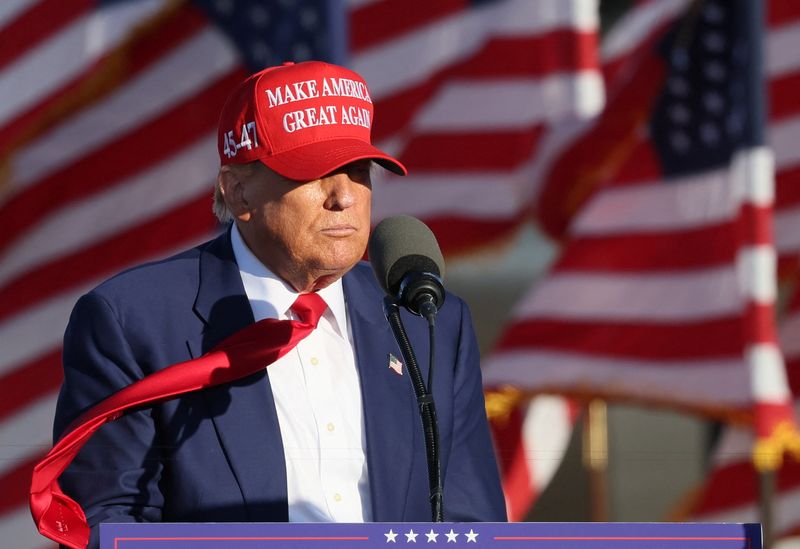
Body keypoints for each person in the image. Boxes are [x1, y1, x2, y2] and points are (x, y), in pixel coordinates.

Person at [54, 61, 506, 547]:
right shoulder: (133, 320)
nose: (344, 197)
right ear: (239, 190)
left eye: (358, 171)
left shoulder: (427, 319)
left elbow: (471, 522)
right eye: (314, 173)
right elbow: (106, 525)